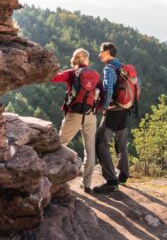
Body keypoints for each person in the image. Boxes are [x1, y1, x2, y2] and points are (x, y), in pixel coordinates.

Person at [51, 48, 102, 194]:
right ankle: (87, 185)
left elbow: (53, 78)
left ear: (75, 60)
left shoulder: (71, 73)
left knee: (59, 144)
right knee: (90, 150)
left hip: (74, 114)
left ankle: (52, 177)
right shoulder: (95, 74)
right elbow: (101, 92)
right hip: (90, 115)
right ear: (85, 60)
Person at [94, 42, 129, 193]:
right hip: (124, 108)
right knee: (121, 141)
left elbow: (108, 88)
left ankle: (111, 181)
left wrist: (106, 106)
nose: (99, 54)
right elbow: (137, 83)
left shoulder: (109, 68)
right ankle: (123, 173)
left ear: (107, 52)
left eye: (101, 51)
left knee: (101, 142)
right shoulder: (123, 66)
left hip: (114, 110)